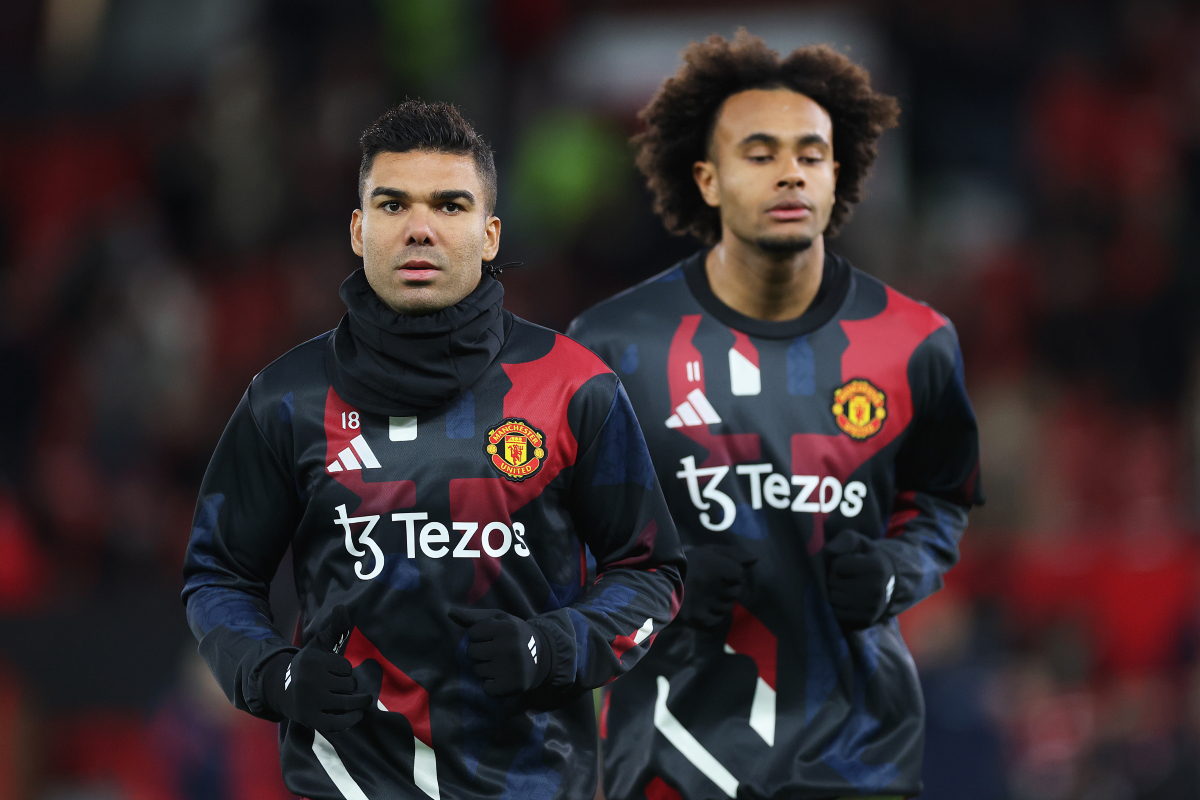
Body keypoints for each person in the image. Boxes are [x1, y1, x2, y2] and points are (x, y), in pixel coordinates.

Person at [182, 100, 684, 800]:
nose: (420, 228)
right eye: (393, 205)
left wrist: (553, 646)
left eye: (450, 205)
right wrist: (273, 672)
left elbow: (653, 574)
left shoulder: (576, 389)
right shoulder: (284, 399)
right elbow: (218, 576)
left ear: (490, 234)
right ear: (359, 230)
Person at [568, 33, 983, 800]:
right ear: (709, 178)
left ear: (839, 174)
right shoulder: (611, 349)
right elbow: (554, 548)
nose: (790, 172)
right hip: (670, 761)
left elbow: (941, 506)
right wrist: (669, 588)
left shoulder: (916, 342)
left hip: (859, 760)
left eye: (811, 154)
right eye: (759, 153)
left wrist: (896, 571)